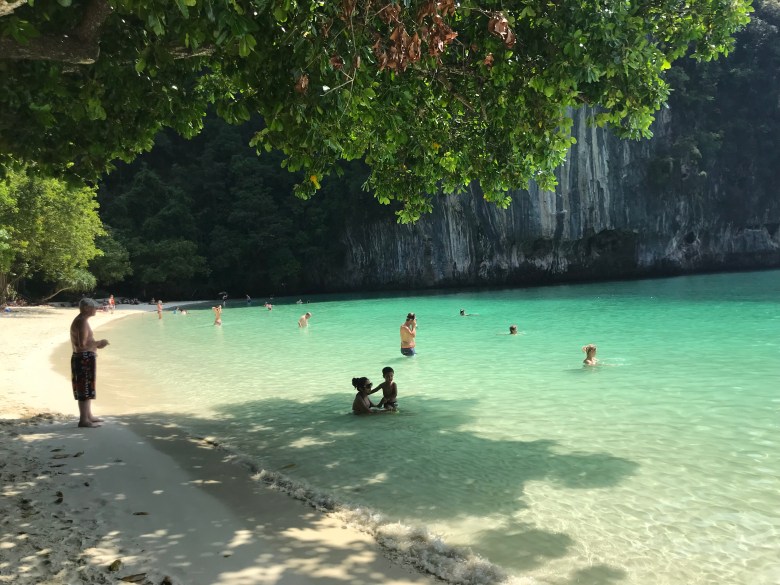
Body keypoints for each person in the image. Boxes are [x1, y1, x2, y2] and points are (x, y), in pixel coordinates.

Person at [69, 298, 109, 428]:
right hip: (83, 358)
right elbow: (81, 345)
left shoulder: (82, 320)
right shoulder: (81, 322)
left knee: (87, 388)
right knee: (85, 388)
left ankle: (88, 416)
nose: (96, 309)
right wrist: (99, 343)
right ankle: (83, 420)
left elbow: (84, 343)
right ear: (86, 308)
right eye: (94, 307)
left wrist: (96, 345)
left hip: (83, 357)